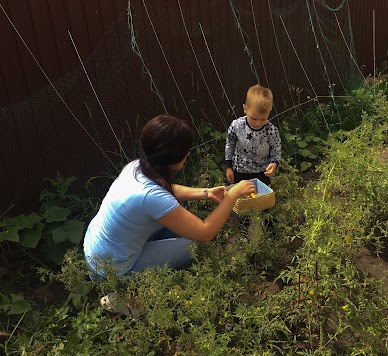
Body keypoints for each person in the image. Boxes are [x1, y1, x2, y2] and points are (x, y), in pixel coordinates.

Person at [83, 115, 256, 280]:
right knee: (195, 246)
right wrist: (232, 195)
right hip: (113, 270)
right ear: (171, 156)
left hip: (97, 249)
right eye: (185, 150)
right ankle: (123, 299)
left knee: (179, 223)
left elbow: (165, 190)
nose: (188, 153)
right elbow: (205, 232)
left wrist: (207, 193)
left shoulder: (136, 166)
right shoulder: (150, 197)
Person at [225, 84, 281, 186]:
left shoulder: (271, 131)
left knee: (262, 200)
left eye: (263, 119)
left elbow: (276, 151)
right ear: (245, 108)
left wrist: (274, 163)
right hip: (239, 172)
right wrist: (228, 167)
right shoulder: (237, 126)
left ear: (269, 112)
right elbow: (230, 144)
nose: (258, 123)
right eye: (254, 118)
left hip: (262, 174)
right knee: (241, 200)